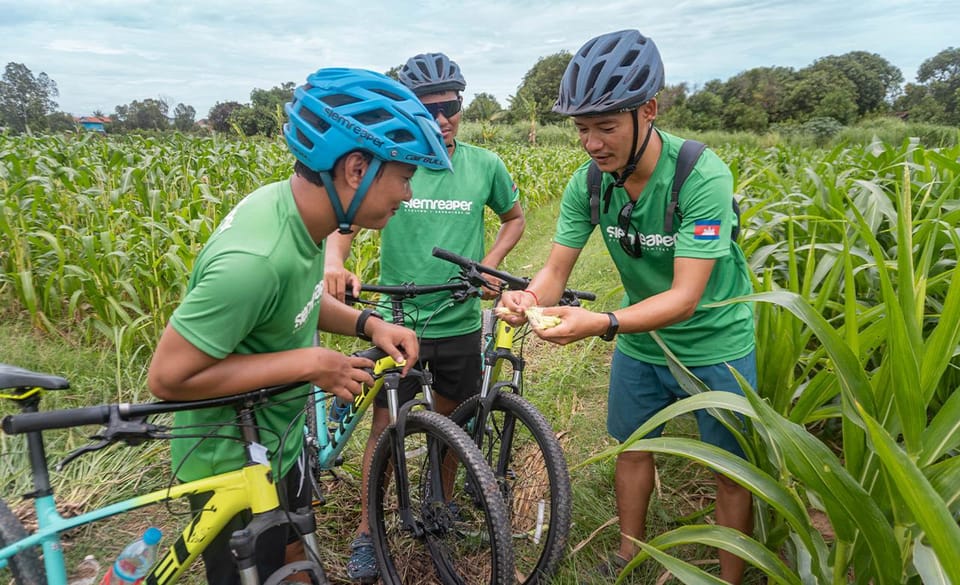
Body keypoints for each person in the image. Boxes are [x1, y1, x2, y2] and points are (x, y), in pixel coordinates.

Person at [146, 67, 452, 585]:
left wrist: (366, 323)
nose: (407, 194)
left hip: (278, 443)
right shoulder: (255, 258)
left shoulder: (301, 216)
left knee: (296, 563)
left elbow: (297, 300)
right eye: (403, 176)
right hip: (229, 462)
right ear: (357, 168)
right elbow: (168, 378)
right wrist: (310, 362)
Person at [498, 30, 756, 584]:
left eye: (606, 126)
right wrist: (528, 298)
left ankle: (731, 576)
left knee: (732, 469)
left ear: (649, 111)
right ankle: (626, 551)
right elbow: (556, 272)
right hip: (641, 339)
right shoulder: (588, 184)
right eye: (582, 128)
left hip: (717, 342)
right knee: (633, 446)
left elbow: (687, 297)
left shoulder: (700, 176)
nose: (592, 142)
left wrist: (603, 323)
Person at [322, 52, 525, 583]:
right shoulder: (392, 163)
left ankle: (440, 504)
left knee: (454, 424)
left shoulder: (485, 166)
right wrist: (335, 263)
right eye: (426, 107)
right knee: (386, 429)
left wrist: (490, 265)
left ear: (463, 102)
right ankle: (369, 531)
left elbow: (514, 218)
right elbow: (343, 221)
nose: (441, 118)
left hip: (458, 320)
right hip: (398, 322)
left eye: (451, 106)